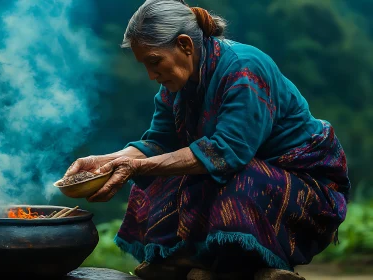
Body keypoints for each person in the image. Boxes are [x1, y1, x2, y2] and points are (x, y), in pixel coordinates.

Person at [63, 0, 350, 279]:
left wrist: (137, 167)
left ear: (185, 45)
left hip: (304, 187)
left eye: (154, 62)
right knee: (153, 175)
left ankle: (240, 261)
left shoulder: (244, 70)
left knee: (236, 178)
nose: (151, 75)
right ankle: (196, 258)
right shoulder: (174, 86)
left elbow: (225, 154)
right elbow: (158, 143)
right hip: (243, 169)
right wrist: (108, 161)